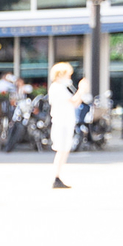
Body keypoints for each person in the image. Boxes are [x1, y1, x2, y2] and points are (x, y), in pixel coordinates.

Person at [47, 60, 78, 188]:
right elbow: (74, 102)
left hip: (64, 122)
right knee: (62, 150)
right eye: (68, 75)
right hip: (62, 122)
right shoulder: (57, 88)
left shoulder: (60, 88)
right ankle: (56, 176)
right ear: (60, 74)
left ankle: (57, 176)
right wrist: (82, 90)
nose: (69, 78)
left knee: (64, 150)